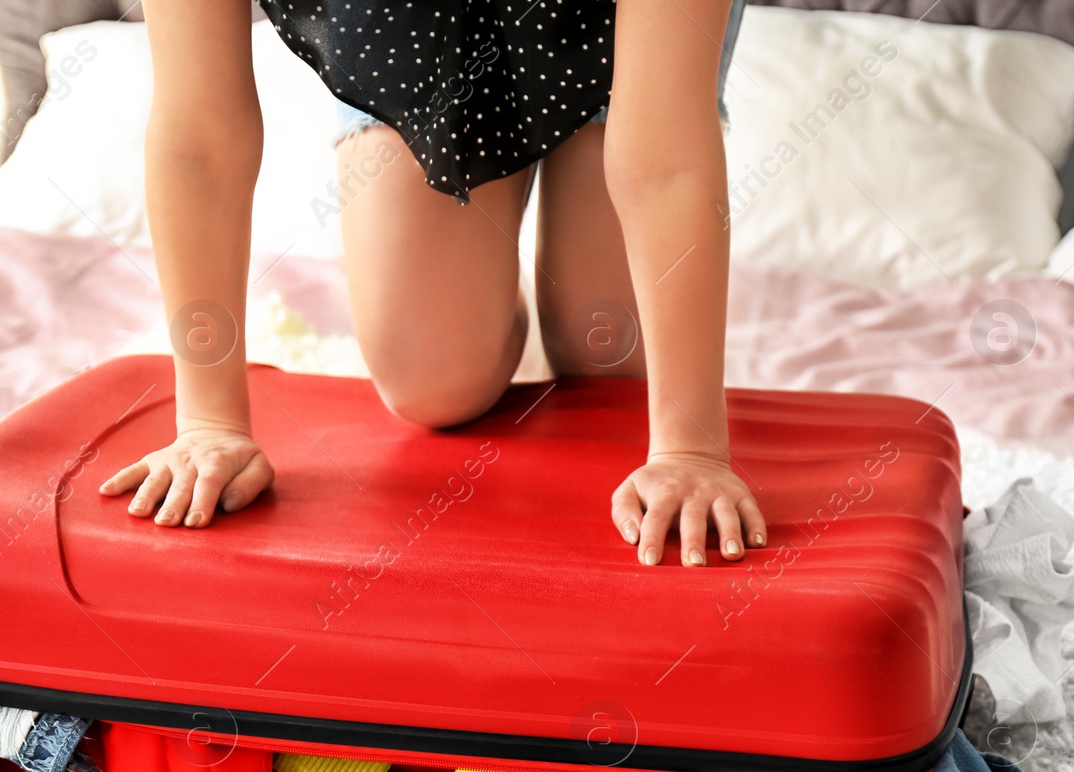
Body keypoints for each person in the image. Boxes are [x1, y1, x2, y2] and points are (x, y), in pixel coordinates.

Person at [100, 0, 767, 568]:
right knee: (434, 378)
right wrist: (209, 420)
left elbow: (667, 157)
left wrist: (692, 449)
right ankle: (488, 262)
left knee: (602, 346)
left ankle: (588, 143)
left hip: (617, 33)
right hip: (422, 29)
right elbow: (199, 132)